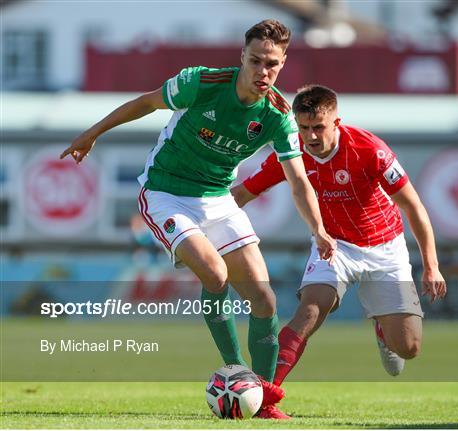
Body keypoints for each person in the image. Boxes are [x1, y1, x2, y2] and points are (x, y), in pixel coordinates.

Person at [60, 21, 336, 419]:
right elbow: (146, 103)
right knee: (215, 274)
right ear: (242, 56)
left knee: (264, 299)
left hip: (217, 199)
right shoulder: (202, 83)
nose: (263, 71)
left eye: (272, 64)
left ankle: (262, 399)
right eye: (255, 61)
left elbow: (298, 182)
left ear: (283, 63)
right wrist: (93, 132)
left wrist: (319, 229)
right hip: (166, 192)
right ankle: (237, 375)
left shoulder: (278, 116)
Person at [232, 84, 447, 418]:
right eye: (304, 128)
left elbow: (414, 206)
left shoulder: (369, 149)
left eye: (318, 127)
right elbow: (243, 193)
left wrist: (431, 266)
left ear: (336, 122)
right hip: (333, 245)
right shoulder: (291, 152)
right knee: (310, 311)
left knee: (409, 348)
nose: (311, 136)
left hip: (385, 247)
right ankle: (263, 397)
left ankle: (383, 329)